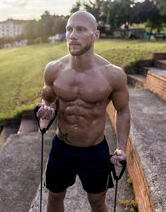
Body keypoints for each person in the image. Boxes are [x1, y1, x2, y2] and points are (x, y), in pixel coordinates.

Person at [37, 11, 130, 212]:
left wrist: (121, 148)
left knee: (97, 203)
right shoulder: (54, 69)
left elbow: (122, 111)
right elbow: (47, 99)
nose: (72, 35)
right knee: (53, 198)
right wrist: (45, 113)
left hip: (95, 152)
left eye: (80, 29)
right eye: (69, 29)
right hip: (61, 149)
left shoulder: (112, 75)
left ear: (95, 35)